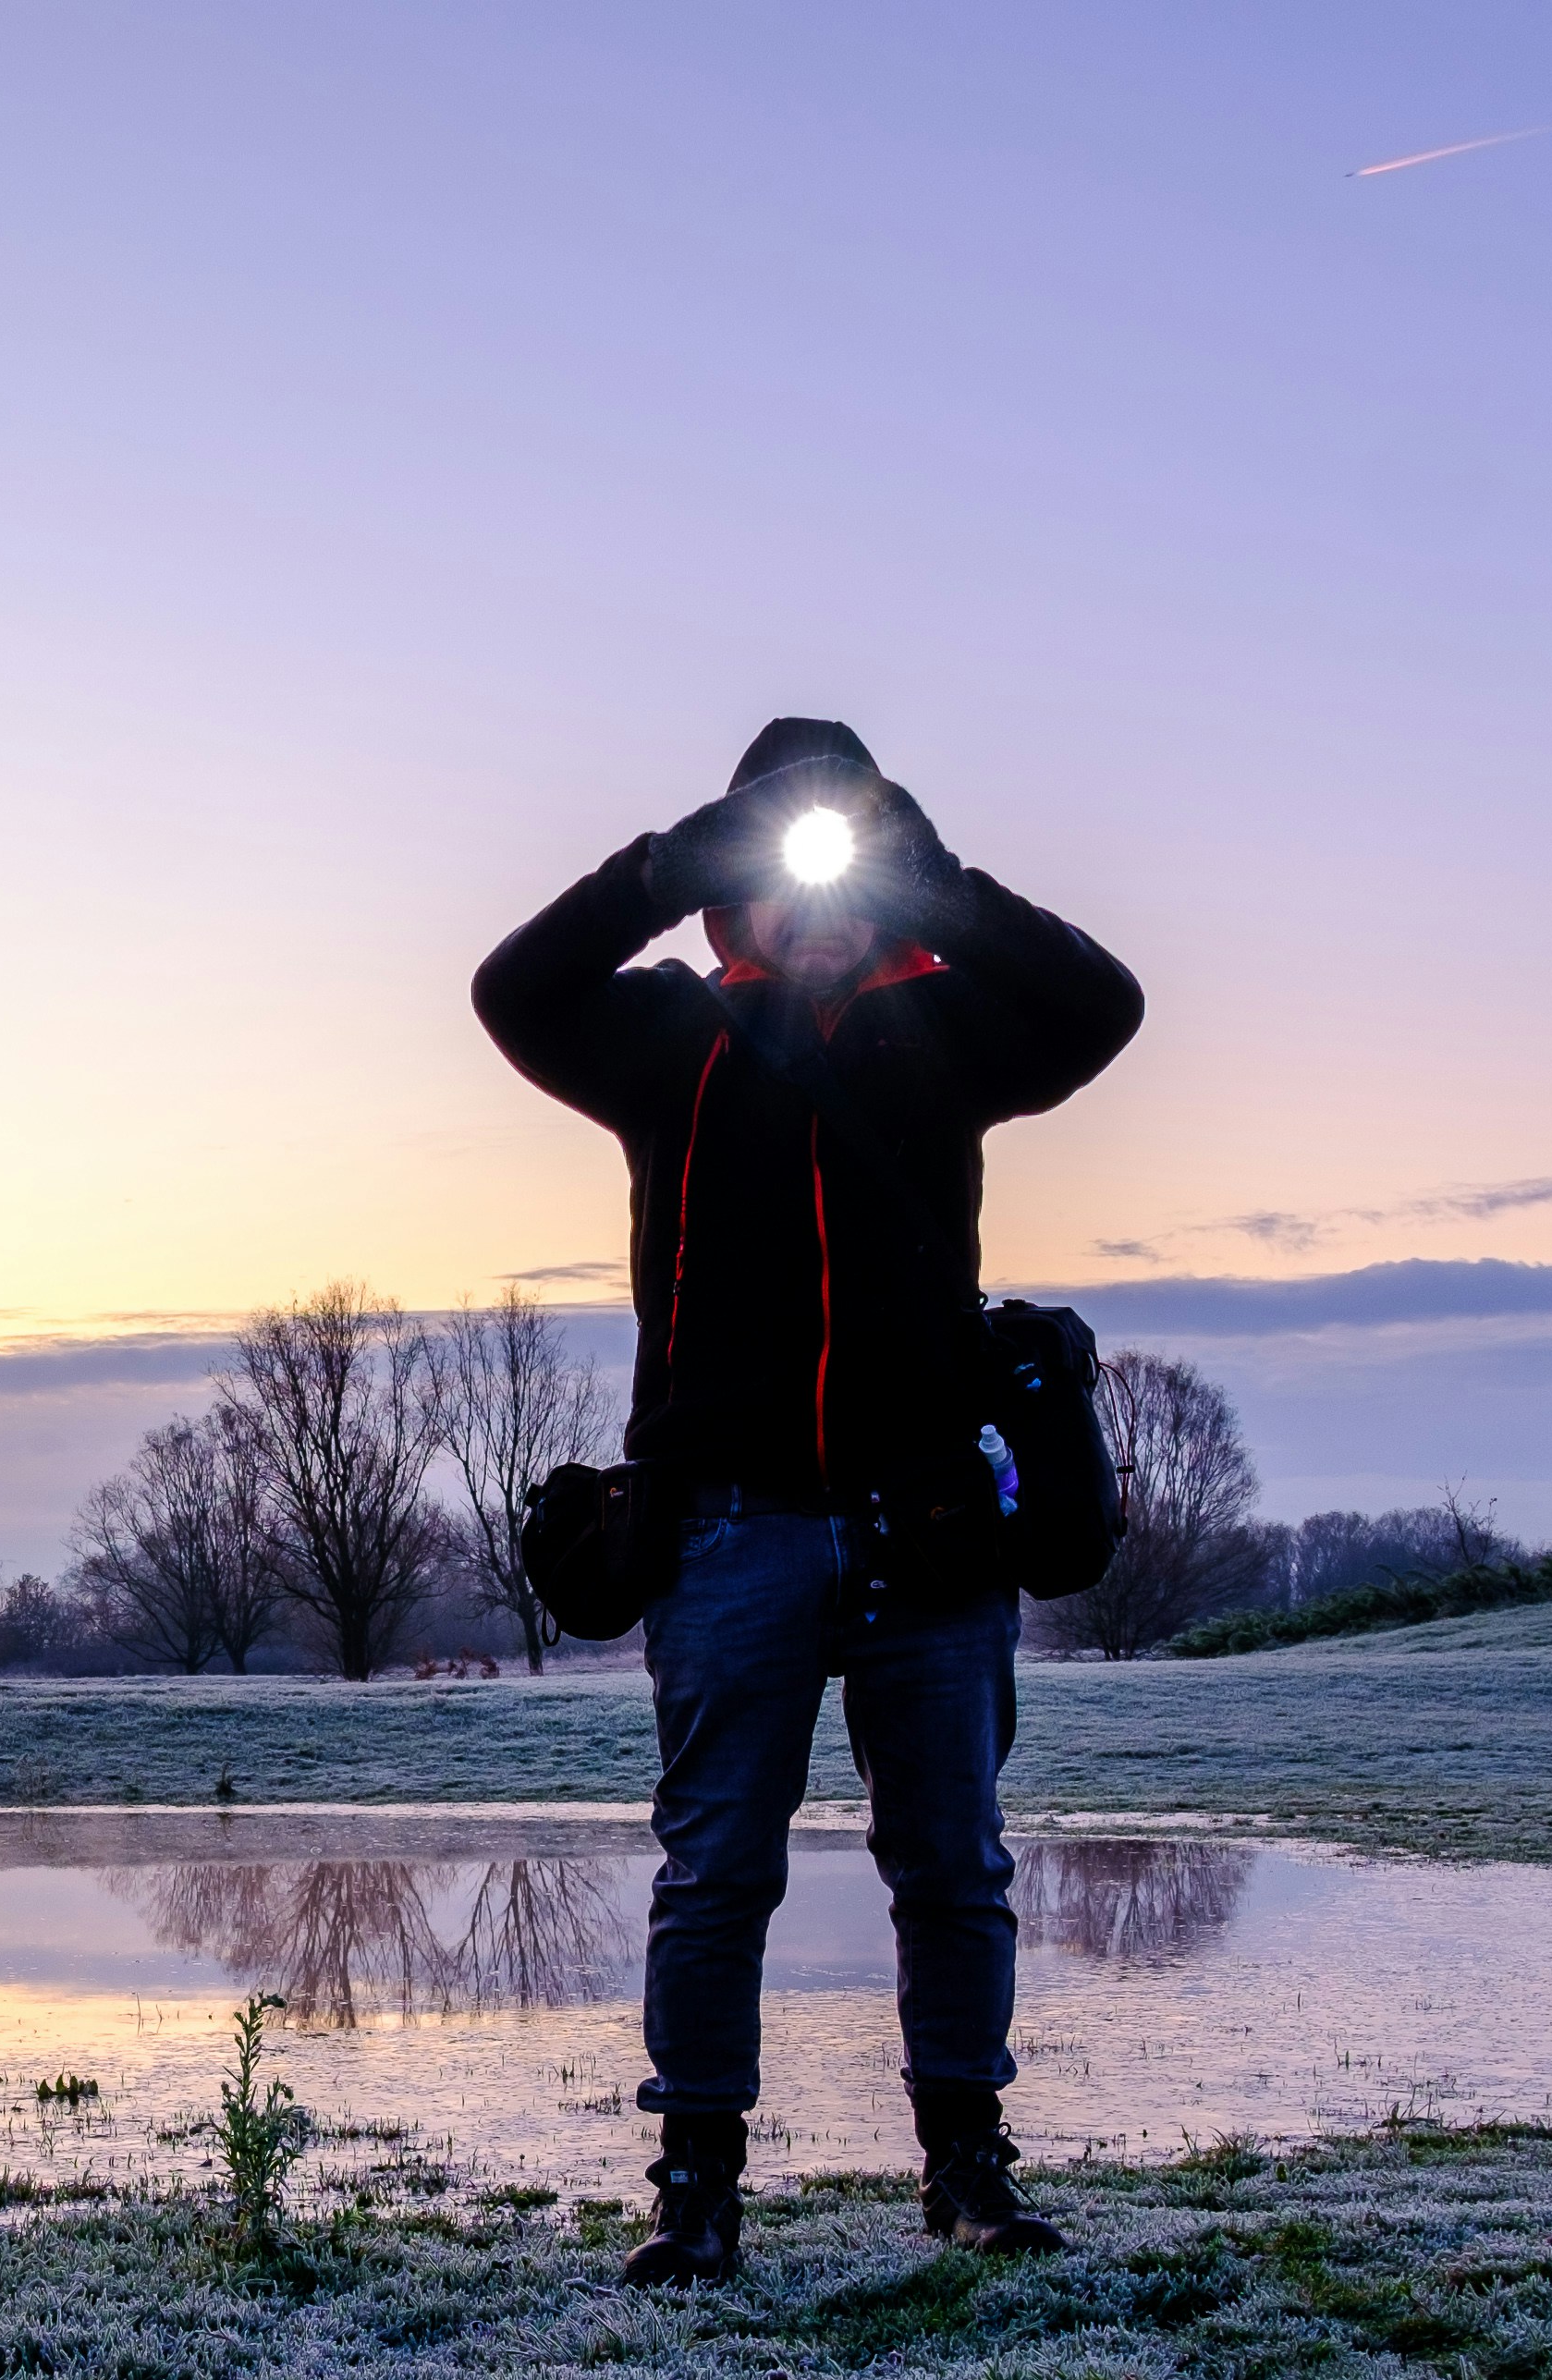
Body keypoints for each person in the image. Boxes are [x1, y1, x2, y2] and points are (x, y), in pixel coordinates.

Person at [472, 717, 1146, 2285]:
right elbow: (515, 989)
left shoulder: (952, 1035)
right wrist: (682, 852)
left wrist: (933, 875)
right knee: (718, 1869)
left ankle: (967, 2171)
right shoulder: (670, 1041)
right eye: (782, 861)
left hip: (930, 1527)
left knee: (955, 1869)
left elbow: (1106, 1004)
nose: (819, 893)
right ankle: (696, 2187)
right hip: (727, 1528)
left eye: (851, 857)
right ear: (736, 892)